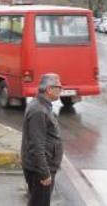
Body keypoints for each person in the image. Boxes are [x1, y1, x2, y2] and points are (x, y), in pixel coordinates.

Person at [21, 73, 63, 206]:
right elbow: (36, 145)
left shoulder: (43, 106)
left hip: (42, 167)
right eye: (59, 87)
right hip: (39, 170)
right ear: (49, 89)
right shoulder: (39, 110)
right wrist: (44, 173)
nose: (61, 90)